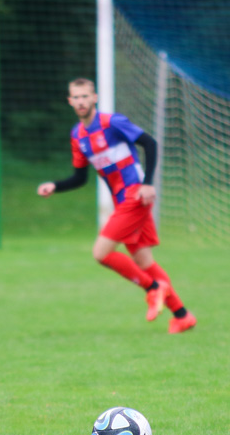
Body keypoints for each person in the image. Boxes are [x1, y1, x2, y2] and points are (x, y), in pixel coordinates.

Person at [37, 78, 196, 334]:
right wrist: (55, 186)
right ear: (70, 101)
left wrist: (147, 183)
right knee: (144, 261)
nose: (80, 101)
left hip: (135, 195)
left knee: (101, 252)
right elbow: (80, 177)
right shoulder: (77, 135)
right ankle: (182, 315)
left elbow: (150, 143)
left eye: (85, 96)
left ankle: (153, 289)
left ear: (94, 98)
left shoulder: (112, 122)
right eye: (76, 97)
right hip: (122, 200)